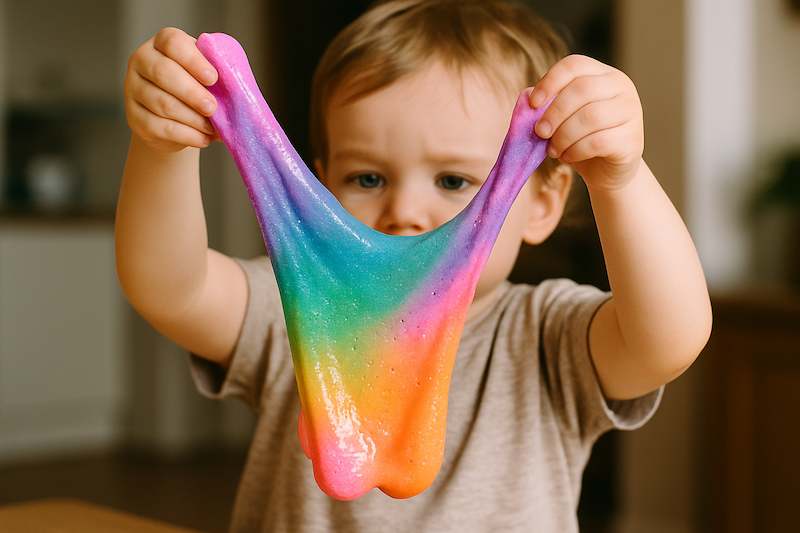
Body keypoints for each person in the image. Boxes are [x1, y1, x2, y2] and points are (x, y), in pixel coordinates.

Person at [117, 0, 712, 531]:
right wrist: (162, 149)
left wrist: (620, 179)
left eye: (454, 181)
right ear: (320, 187)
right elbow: (169, 286)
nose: (402, 212)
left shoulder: (545, 337)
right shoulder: (291, 311)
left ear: (542, 205)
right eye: (367, 178)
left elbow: (669, 338)